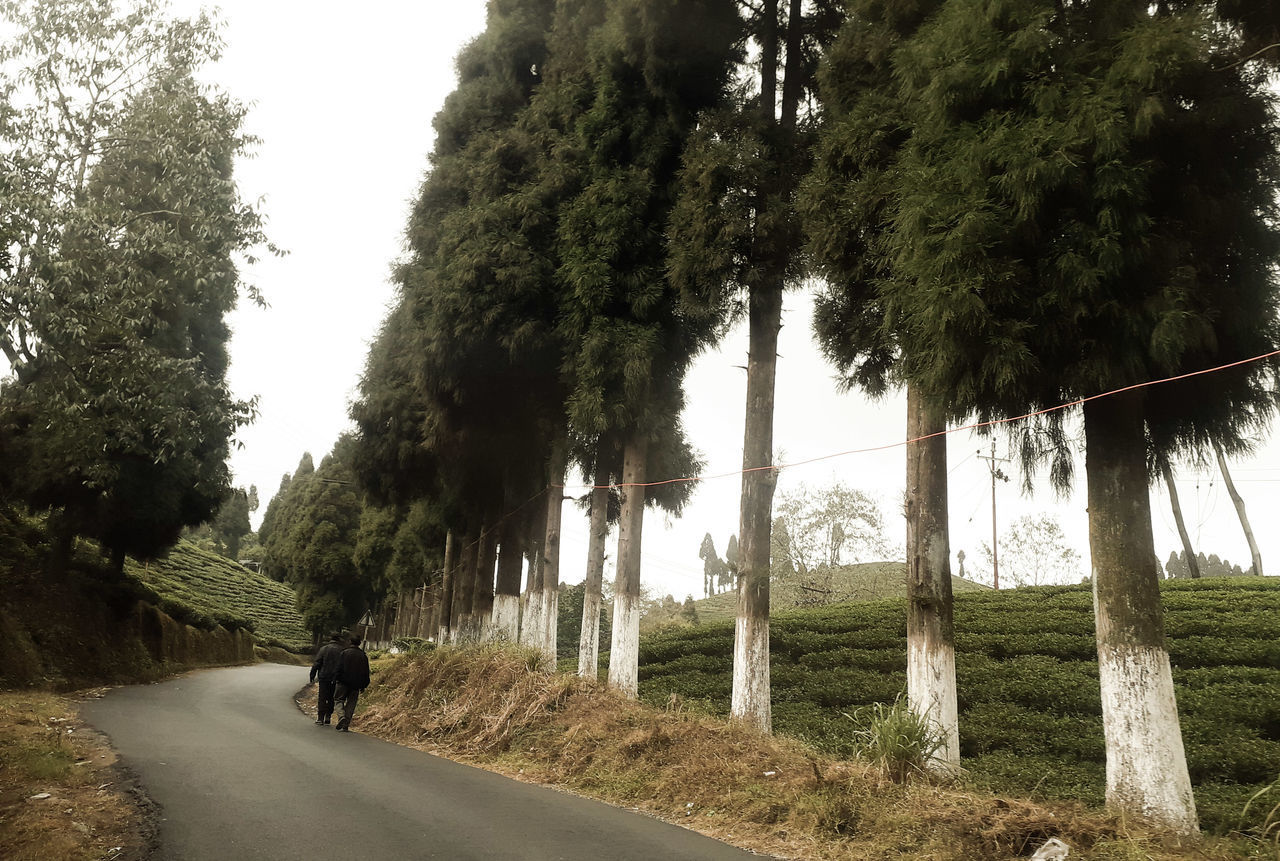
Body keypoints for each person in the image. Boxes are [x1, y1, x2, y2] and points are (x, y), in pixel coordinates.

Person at [333, 634, 371, 732]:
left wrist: (335, 678)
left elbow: (339, 667)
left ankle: (341, 716)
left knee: (338, 700)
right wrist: (364, 685)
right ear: (359, 644)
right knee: (351, 703)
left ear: (350, 642)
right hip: (356, 685)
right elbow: (366, 672)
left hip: (343, 682)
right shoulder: (363, 656)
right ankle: (346, 725)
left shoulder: (344, 653)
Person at [309, 632, 346, 725]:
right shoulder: (342, 650)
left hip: (324, 677)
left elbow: (317, 662)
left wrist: (312, 674)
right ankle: (328, 716)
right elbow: (343, 666)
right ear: (338, 640)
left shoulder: (324, 649)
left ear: (331, 639)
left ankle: (320, 718)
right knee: (331, 697)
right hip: (336, 678)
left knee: (322, 697)